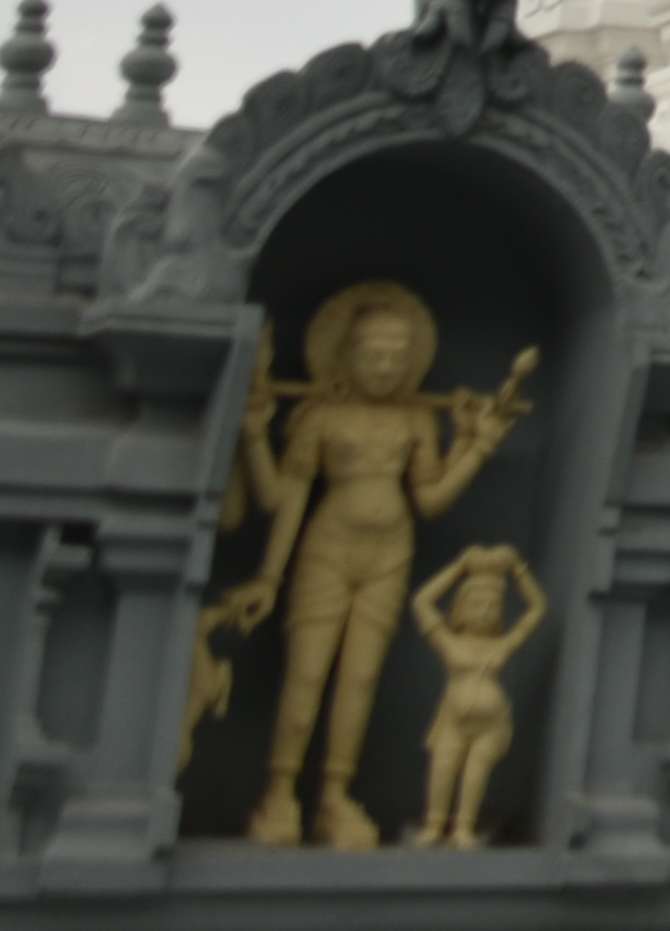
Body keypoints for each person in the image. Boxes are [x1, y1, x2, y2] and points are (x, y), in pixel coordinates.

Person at [201, 281, 535, 848]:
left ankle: (334, 796)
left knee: (358, 680)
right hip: (326, 551)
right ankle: (280, 792)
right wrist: (268, 574)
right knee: (306, 676)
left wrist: (476, 447)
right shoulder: (320, 416)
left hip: (390, 554)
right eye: (373, 354)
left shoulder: (416, 422)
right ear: (346, 355)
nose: (385, 366)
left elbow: (430, 500)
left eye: (397, 357)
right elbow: (282, 503)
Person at [403, 546, 548, 848]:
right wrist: (459, 567)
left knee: (475, 774)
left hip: (491, 724)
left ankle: (464, 827)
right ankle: (435, 823)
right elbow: (422, 602)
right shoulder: (450, 642)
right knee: (443, 768)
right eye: (477, 604)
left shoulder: (501, 646)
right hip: (454, 720)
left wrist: (518, 568)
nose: (484, 611)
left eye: (492, 605)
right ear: (460, 608)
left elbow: (536, 609)